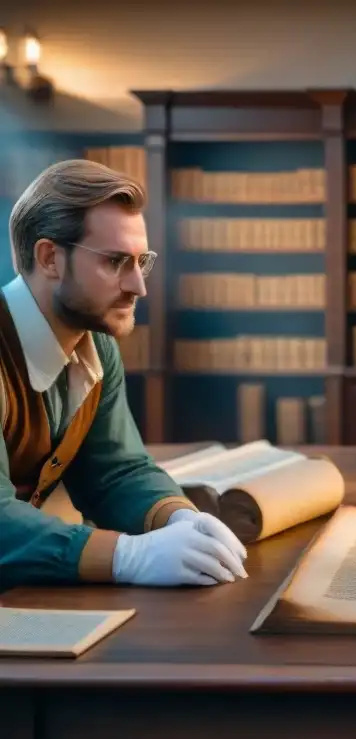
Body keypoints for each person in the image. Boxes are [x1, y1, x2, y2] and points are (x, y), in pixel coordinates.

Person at [0, 159, 248, 591]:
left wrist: (180, 518)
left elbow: (115, 472)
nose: (139, 286)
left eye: (141, 261)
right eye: (115, 261)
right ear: (49, 257)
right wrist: (127, 556)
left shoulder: (97, 347)